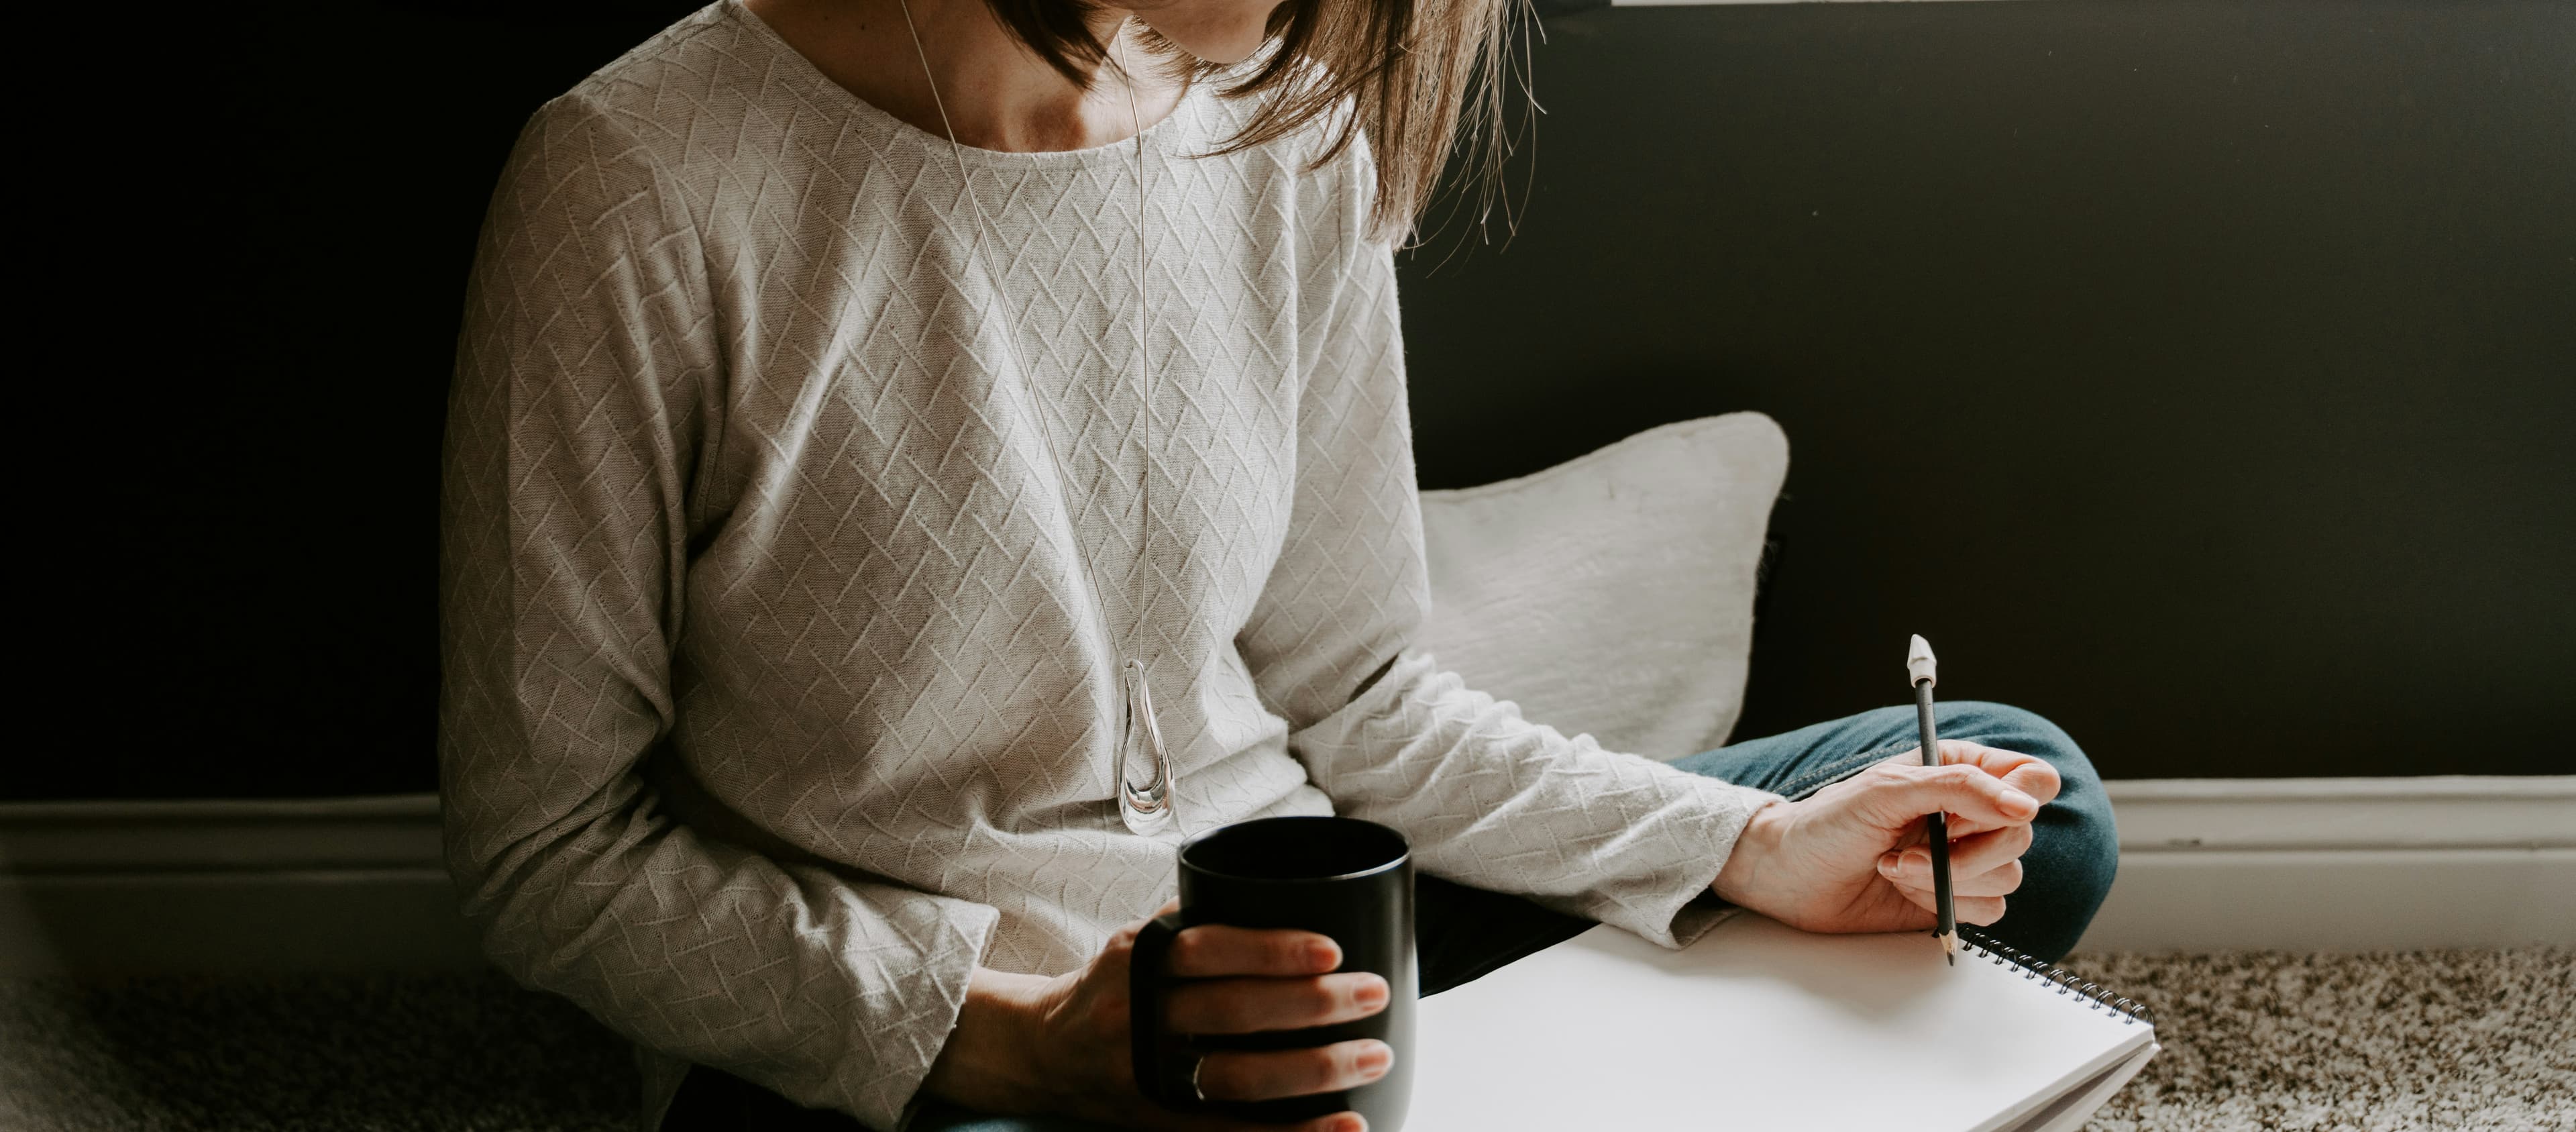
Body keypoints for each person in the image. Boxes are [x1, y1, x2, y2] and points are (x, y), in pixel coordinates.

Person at [437, 0, 2119, 1129]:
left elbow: (1360, 688)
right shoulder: (637, 182)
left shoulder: (1280, 124)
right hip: (948, 1036)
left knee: (2018, 804)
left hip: (1306, 916)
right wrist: (1033, 1029)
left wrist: (1747, 843)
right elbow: (550, 852)